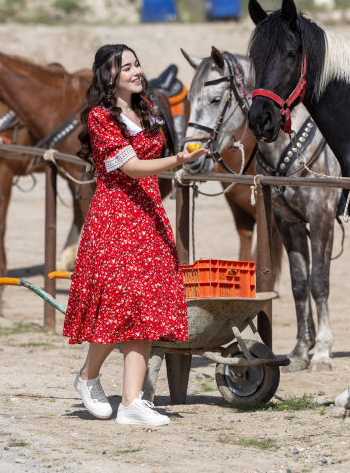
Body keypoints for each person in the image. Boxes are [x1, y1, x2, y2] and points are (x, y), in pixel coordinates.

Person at [63, 44, 208, 426]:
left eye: (137, 64)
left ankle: (130, 403)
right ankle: (88, 375)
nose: (136, 71)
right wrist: (178, 160)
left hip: (148, 215)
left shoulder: (146, 110)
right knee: (120, 301)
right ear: (108, 76)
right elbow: (132, 168)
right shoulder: (99, 117)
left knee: (146, 305)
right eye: (126, 67)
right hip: (115, 217)